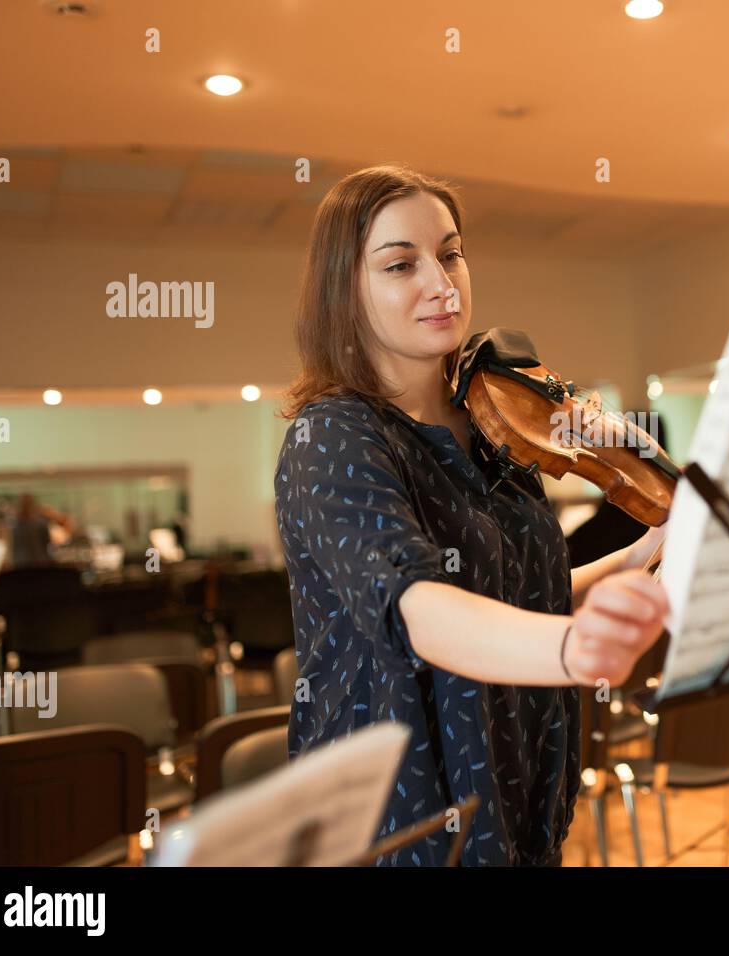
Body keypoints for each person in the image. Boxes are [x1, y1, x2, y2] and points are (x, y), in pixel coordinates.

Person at [273, 164, 667, 867]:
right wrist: (575, 650)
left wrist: (648, 552)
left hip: (516, 788)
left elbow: (521, 595)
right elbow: (423, 612)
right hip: (401, 820)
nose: (441, 281)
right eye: (401, 264)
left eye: (450, 253)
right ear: (345, 291)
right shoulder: (332, 436)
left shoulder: (495, 431)